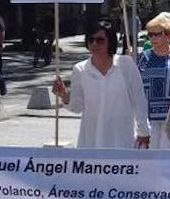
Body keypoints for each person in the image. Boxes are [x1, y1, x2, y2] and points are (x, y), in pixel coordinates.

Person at [52, 20, 150, 149]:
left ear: (110, 41)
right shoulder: (80, 69)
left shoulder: (126, 65)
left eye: (100, 40)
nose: (94, 44)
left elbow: (139, 100)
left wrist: (144, 131)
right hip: (91, 141)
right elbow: (76, 107)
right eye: (91, 40)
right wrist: (64, 95)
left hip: (122, 140)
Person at [137, 14, 170, 149]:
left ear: (169, 35)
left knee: (168, 155)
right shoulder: (142, 57)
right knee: (149, 155)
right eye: (150, 35)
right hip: (148, 115)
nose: (152, 38)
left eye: (157, 34)